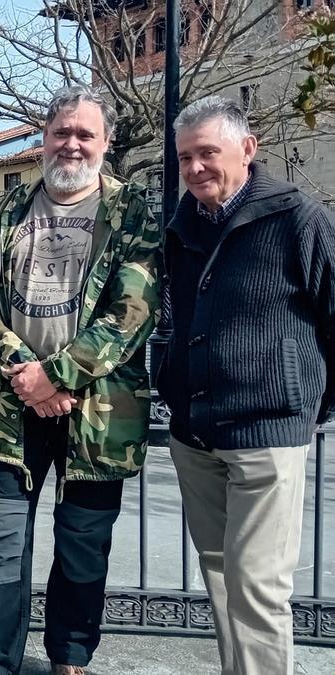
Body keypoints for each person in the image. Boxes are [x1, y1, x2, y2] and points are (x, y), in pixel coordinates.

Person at [0, 84, 160, 675]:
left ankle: (70, 657)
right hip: (8, 409)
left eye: (85, 134)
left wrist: (57, 377)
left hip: (98, 416)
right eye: (61, 132)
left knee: (83, 546)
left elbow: (131, 312)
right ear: (44, 137)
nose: (71, 144)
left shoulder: (134, 213)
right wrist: (27, 372)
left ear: (106, 143)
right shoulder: (9, 210)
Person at [161, 95, 335, 675]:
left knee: (258, 588)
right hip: (195, 433)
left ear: (247, 149)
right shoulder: (182, 227)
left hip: (267, 432)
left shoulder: (296, 217)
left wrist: (305, 404)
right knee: (221, 578)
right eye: (185, 158)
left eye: (207, 153)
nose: (195, 168)